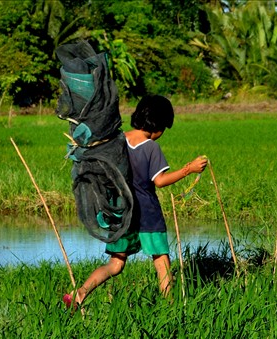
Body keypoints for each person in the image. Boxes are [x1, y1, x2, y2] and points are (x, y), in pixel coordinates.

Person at [64, 95, 208, 309]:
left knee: (115, 264)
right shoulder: (150, 147)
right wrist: (189, 169)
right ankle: (170, 308)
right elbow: (160, 181)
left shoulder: (116, 140)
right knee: (161, 262)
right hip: (147, 213)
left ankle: (79, 293)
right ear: (157, 125)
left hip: (121, 213)